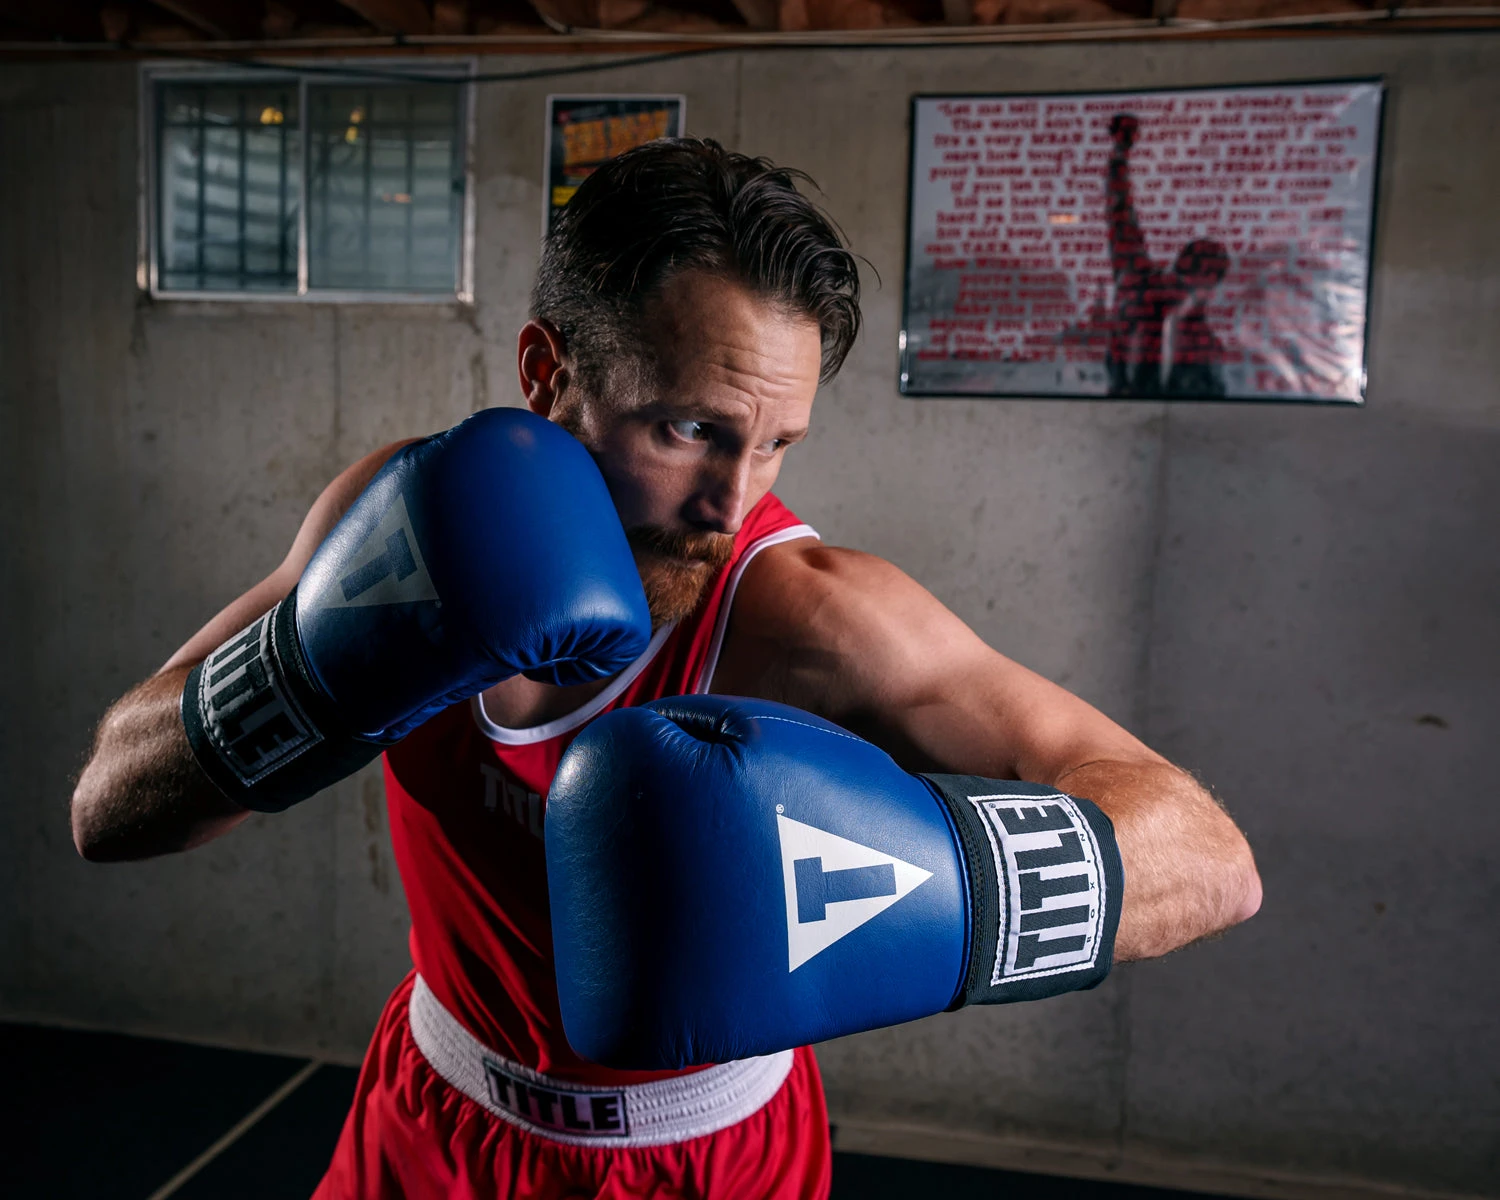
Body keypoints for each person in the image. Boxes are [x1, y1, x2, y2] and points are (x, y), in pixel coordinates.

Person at [71, 138, 1262, 1199]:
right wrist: (317, 679)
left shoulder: (810, 619)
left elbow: (1212, 862)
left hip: (712, 1164)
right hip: (435, 1119)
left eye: (776, 443)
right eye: (687, 428)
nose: (728, 501)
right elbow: (109, 808)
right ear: (549, 374)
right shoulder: (405, 531)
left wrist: (943, 892)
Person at [1105, 113, 1231, 398]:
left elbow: (1119, 211)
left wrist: (1120, 154)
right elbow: (1119, 212)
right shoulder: (1202, 343)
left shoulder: (1135, 278)